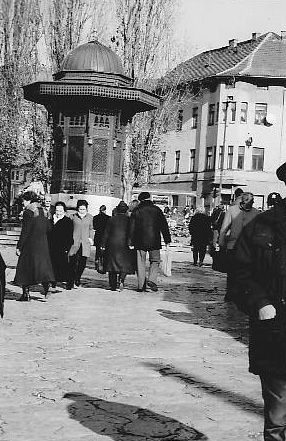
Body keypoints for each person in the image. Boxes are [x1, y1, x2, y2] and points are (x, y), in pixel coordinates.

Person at [233, 162, 286, 441]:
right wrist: (260, 302)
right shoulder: (263, 225)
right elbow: (241, 273)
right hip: (277, 332)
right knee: (278, 417)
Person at [14, 191, 55, 301]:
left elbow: (25, 231)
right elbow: (49, 229)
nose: (23, 203)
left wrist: (19, 246)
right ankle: (47, 288)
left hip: (30, 245)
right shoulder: (44, 211)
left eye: (24, 201)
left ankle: (25, 294)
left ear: (28, 200)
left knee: (24, 269)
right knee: (42, 267)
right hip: (43, 244)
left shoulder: (28, 211)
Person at [219, 192, 259, 302]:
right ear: (242, 201)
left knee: (246, 271)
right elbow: (224, 228)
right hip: (233, 246)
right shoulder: (232, 210)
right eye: (247, 202)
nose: (249, 205)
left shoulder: (256, 213)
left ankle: (242, 293)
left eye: (251, 202)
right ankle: (231, 293)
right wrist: (221, 244)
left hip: (249, 248)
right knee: (232, 271)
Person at [128, 191, 171, 292]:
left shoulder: (136, 210)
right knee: (155, 261)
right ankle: (152, 279)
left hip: (139, 241)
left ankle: (141, 285)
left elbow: (131, 228)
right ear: (149, 198)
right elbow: (164, 226)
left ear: (140, 200)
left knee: (140, 263)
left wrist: (130, 241)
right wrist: (167, 240)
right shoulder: (157, 210)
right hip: (154, 241)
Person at [102, 201, 136, 291]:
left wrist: (103, 244)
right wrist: (131, 243)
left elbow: (106, 233)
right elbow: (132, 233)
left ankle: (112, 285)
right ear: (126, 211)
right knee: (124, 264)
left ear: (117, 210)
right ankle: (121, 280)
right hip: (125, 245)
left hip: (112, 244)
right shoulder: (129, 220)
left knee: (112, 265)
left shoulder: (111, 219)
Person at [68, 199, 94, 289]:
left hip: (85, 243)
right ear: (77, 208)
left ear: (86, 209)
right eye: (80, 209)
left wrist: (91, 238)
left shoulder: (90, 217)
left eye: (83, 209)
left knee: (82, 262)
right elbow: (69, 229)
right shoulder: (72, 217)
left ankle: (77, 277)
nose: (82, 211)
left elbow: (91, 228)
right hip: (74, 242)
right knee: (73, 262)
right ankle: (71, 280)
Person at [49, 202, 73, 290]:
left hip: (62, 247)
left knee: (63, 266)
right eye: (57, 210)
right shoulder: (51, 220)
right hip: (51, 246)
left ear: (64, 211)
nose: (59, 212)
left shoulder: (67, 221)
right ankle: (52, 283)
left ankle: (68, 282)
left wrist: (67, 248)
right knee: (52, 265)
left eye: (61, 210)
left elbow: (69, 236)